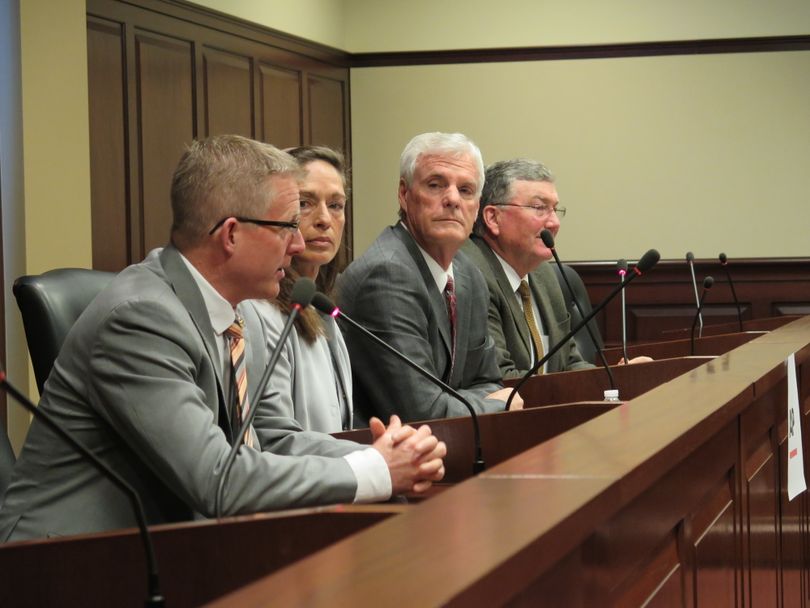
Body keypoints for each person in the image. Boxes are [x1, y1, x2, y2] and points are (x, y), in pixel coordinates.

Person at [0, 135, 445, 542]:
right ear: (231, 234)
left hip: (168, 548)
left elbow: (268, 437)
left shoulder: (231, 312)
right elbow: (219, 479)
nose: (297, 244)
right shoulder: (142, 319)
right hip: (66, 566)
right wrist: (374, 472)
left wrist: (382, 451)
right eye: (286, 226)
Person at [338, 132, 522, 425]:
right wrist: (497, 405)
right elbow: (424, 414)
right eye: (435, 185)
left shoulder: (468, 274)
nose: (452, 199)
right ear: (404, 193)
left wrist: (481, 398)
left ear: (476, 206)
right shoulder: (386, 274)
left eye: (466, 190)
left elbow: (490, 380)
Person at [250, 146, 353, 432]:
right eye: (305, 203)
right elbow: (273, 436)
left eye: (335, 205)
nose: (324, 219)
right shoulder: (260, 310)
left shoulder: (323, 307)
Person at [462, 159, 594, 379]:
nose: (554, 223)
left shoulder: (546, 274)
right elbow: (500, 378)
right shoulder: (471, 275)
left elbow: (570, 363)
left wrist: (620, 377)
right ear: (493, 218)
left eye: (555, 209)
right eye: (539, 208)